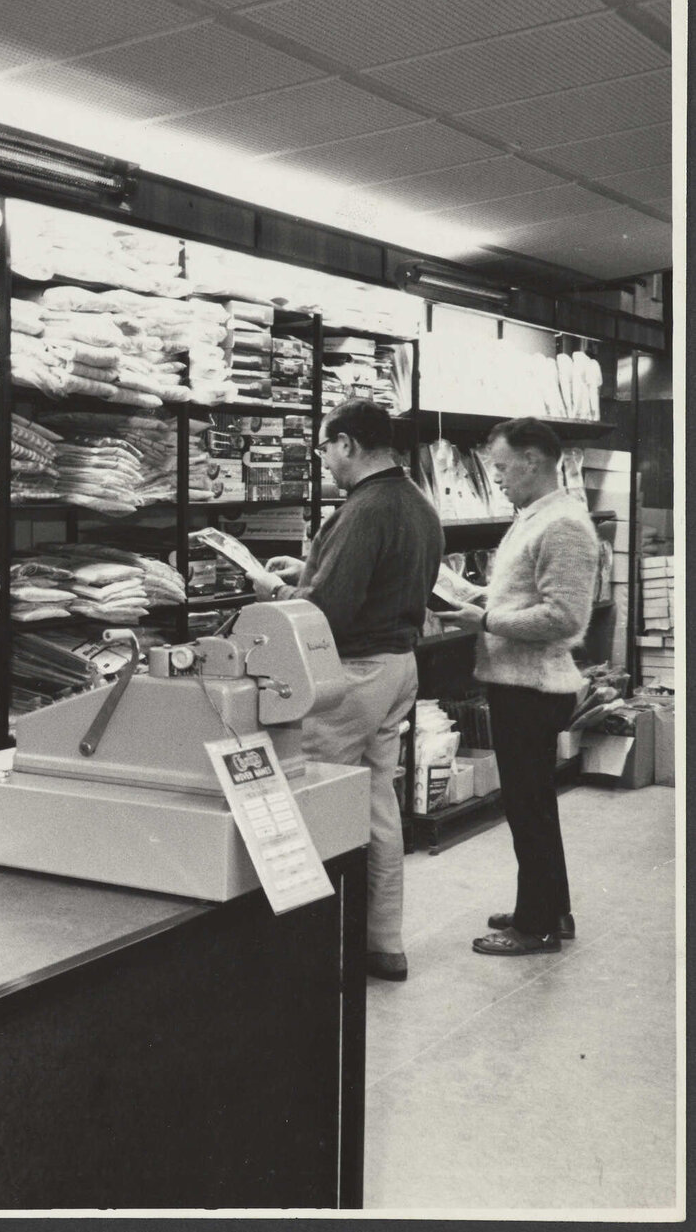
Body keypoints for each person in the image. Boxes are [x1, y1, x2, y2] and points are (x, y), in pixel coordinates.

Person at [249, 399, 442, 982]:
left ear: (349, 445)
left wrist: (273, 593)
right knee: (377, 797)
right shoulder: (415, 503)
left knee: (312, 796)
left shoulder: (363, 510)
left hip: (351, 674)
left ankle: (312, 946)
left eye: (325, 448)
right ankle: (382, 940)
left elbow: (326, 612)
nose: (324, 459)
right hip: (398, 666)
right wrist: (306, 570)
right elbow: (366, 581)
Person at [443, 418, 597, 957]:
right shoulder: (537, 517)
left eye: (504, 467)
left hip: (532, 689)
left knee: (527, 807)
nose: (498, 477)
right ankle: (552, 907)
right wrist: (465, 593)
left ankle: (536, 927)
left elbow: (563, 616)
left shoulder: (564, 526)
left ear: (532, 461)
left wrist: (485, 623)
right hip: (518, 683)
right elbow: (517, 594)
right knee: (533, 805)